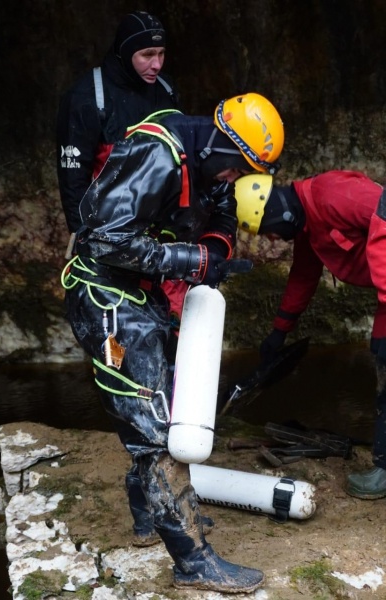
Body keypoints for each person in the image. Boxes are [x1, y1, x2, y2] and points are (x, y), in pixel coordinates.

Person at [61, 93, 284, 592]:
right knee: (160, 434)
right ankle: (192, 563)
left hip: (143, 296)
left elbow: (222, 212)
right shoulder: (157, 153)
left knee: (157, 405)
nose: (234, 180)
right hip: (107, 298)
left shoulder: (209, 159)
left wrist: (214, 251)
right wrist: (190, 262)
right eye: (237, 169)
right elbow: (104, 239)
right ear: (222, 144)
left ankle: (147, 517)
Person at [234, 169, 386, 500]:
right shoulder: (309, 224)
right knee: (381, 357)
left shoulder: (334, 196)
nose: (273, 240)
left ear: (276, 212)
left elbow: (384, 215)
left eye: (269, 232)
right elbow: (303, 276)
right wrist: (279, 333)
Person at [57, 10, 179, 235]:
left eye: (161, 54)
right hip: (109, 226)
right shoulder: (86, 98)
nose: (157, 64)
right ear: (125, 51)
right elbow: (73, 180)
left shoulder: (165, 89)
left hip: (161, 225)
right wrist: (84, 237)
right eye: (148, 54)